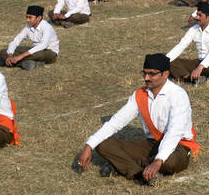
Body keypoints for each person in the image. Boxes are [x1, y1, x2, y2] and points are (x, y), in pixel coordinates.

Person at [75, 53, 200, 182]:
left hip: (178, 146)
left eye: (152, 74)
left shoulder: (178, 95)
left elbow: (175, 132)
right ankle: (140, 174)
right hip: (152, 145)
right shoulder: (139, 95)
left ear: (166, 74)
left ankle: (126, 166)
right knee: (101, 144)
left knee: (169, 162)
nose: (146, 78)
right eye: (144, 73)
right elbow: (116, 122)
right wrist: (89, 145)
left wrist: (158, 160)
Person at [166, 1, 209, 82]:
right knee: (169, 62)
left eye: (200, 15)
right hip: (200, 61)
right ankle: (189, 79)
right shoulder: (194, 29)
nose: (197, 17)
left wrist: (200, 67)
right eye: (197, 14)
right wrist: (164, 61)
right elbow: (181, 45)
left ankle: (194, 75)